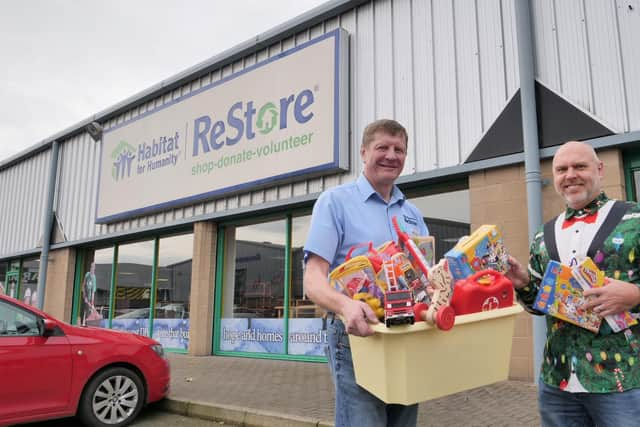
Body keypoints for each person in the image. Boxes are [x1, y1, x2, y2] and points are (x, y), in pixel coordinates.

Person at [303, 119, 429, 427]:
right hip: (358, 333)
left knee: (403, 420)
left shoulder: (412, 214)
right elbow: (313, 278)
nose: (391, 155)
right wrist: (345, 305)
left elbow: (425, 276)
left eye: (399, 149)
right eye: (382, 147)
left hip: (408, 332)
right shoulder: (335, 203)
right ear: (363, 152)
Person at [506, 141, 640, 426]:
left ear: (600, 170)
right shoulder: (544, 234)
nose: (570, 175)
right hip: (558, 382)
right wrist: (522, 283)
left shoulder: (635, 219)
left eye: (580, 166)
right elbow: (540, 306)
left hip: (624, 381)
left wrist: (635, 294)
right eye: (561, 169)